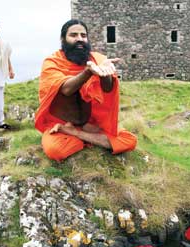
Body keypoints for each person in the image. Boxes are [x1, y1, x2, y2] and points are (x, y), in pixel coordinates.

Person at [34, 19, 137, 161]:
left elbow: (107, 89)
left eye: (83, 35)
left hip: (91, 126)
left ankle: (77, 135)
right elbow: (66, 89)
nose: (79, 39)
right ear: (63, 39)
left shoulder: (99, 59)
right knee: (55, 151)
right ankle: (92, 139)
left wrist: (104, 74)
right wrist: (88, 72)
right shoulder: (52, 62)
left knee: (129, 140)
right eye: (74, 35)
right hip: (60, 124)